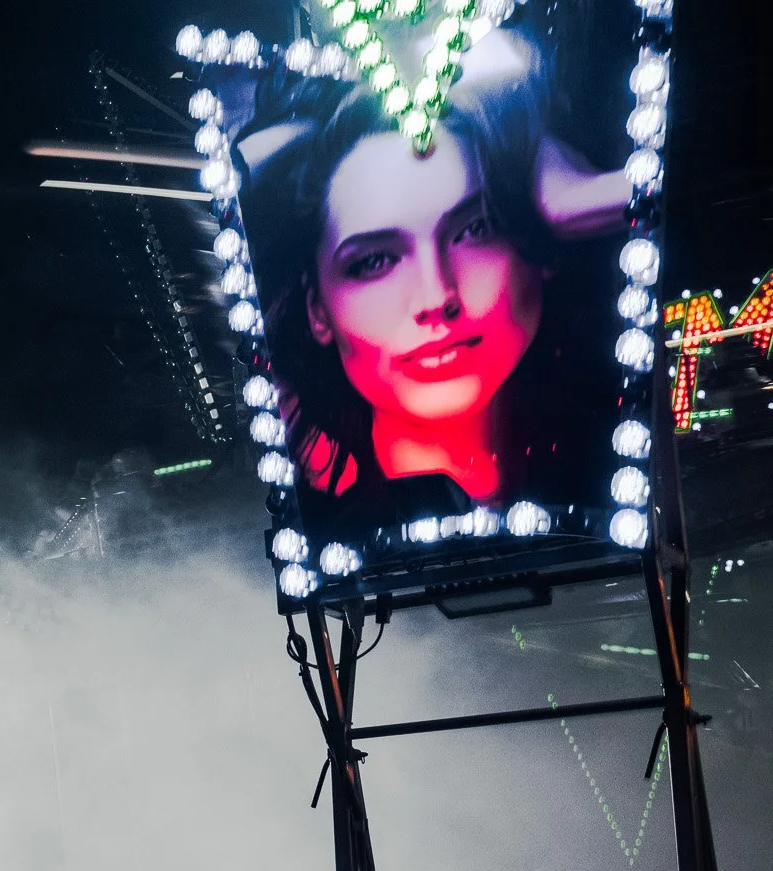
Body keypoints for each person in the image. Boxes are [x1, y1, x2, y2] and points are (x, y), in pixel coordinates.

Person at [237, 28, 631, 545]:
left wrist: (579, 198)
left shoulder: (614, 479)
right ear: (318, 311)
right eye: (374, 261)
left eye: (476, 229)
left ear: (536, 237)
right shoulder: (333, 541)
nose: (436, 296)